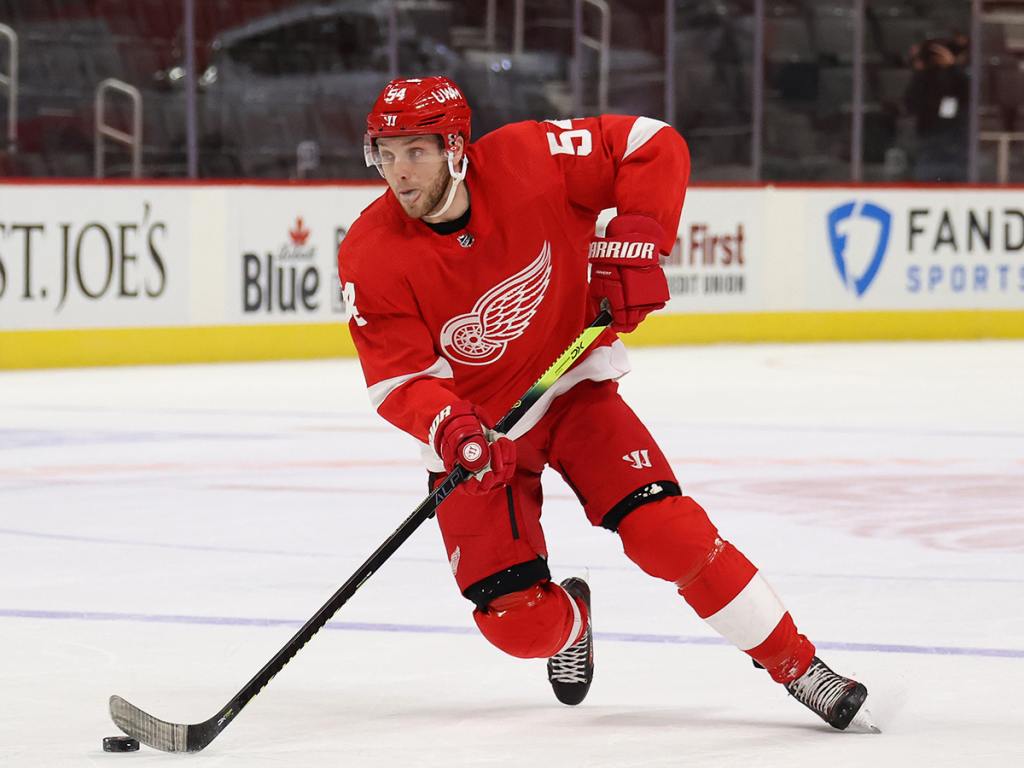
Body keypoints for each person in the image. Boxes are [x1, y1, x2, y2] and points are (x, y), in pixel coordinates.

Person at [337, 75, 874, 730]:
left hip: (571, 391)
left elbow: (652, 144)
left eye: (414, 151)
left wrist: (637, 239)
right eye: (384, 154)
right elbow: (397, 381)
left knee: (669, 534)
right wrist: (450, 427)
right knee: (518, 628)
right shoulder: (370, 252)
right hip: (478, 437)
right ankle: (575, 624)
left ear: (456, 148)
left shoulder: (530, 158)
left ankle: (800, 665)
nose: (397, 172)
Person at [904, 35, 970, 182]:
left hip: (955, 141)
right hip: (928, 141)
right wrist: (919, 68)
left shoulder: (957, 77)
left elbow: (965, 96)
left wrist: (952, 68)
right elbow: (911, 104)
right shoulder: (922, 79)